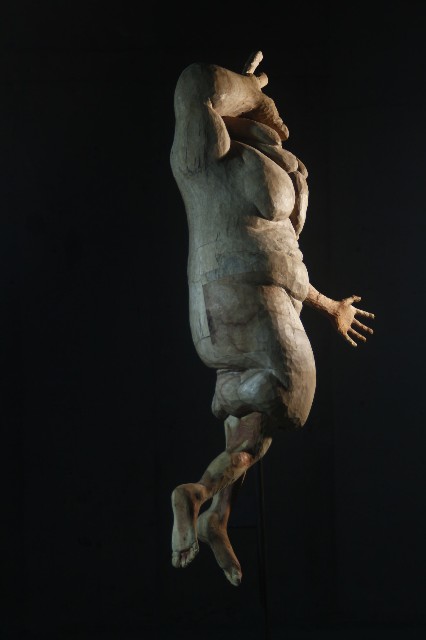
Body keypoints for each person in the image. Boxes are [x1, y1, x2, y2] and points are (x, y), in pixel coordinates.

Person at [169, 51, 374, 586]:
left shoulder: (219, 167)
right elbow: (196, 84)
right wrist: (253, 89)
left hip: (215, 320)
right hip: (251, 303)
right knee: (292, 397)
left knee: (251, 419)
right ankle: (198, 492)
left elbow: (286, 265)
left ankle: (217, 517)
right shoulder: (214, 160)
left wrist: (331, 307)